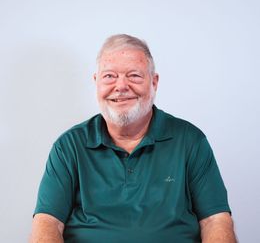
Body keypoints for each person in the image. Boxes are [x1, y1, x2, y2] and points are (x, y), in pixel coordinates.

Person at [30, 34, 236, 242]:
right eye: (109, 76)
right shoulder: (69, 146)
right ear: (96, 82)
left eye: (134, 76)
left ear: (154, 82)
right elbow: (47, 222)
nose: (121, 86)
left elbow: (215, 220)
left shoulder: (190, 141)